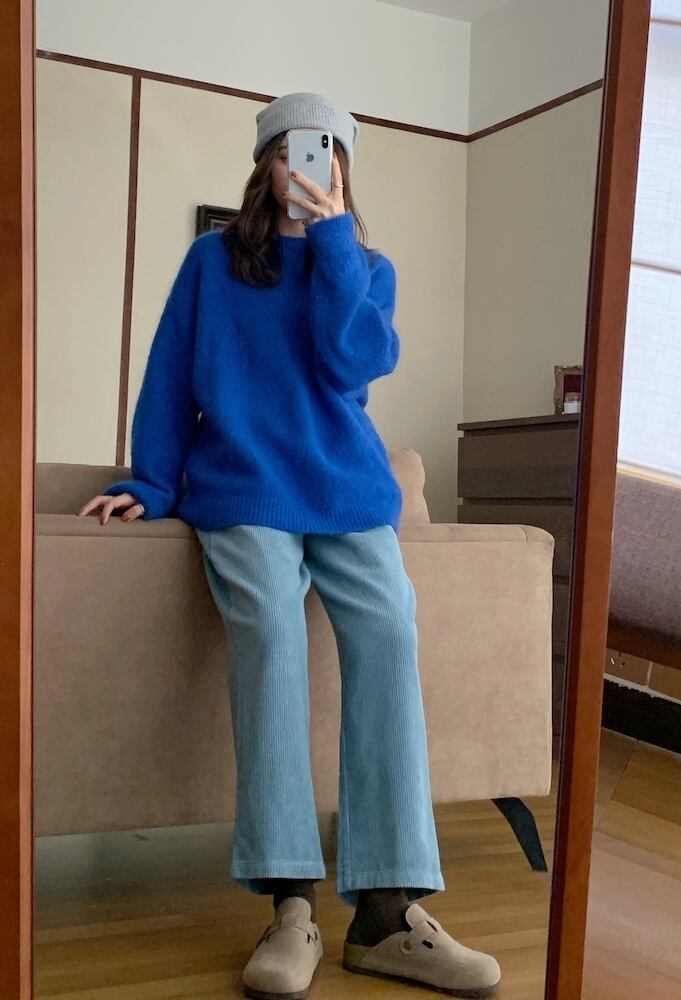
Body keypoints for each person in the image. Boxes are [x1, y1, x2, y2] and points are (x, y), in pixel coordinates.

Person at [77, 92, 500, 999]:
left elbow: (355, 364)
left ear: (344, 170)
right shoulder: (212, 261)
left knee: (388, 629)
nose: (309, 166)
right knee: (269, 627)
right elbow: (168, 377)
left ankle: (386, 916)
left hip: (349, 491)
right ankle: (291, 906)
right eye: (293, 151)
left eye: (329, 154)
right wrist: (150, 483)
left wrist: (335, 240)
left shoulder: (368, 267)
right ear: (265, 163)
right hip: (244, 488)